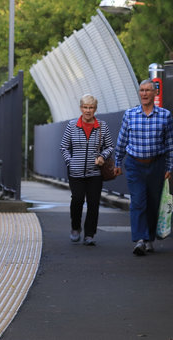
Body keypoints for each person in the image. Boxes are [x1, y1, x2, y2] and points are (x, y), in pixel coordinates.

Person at [115, 79, 173, 256]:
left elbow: (171, 144)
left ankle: (149, 238)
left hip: (156, 165)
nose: (144, 94)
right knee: (138, 201)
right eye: (141, 90)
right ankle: (140, 240)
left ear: (155, 93)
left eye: (148, 90)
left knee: (153, 203)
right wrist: (117, 162)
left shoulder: (165, 116)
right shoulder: (130, 114)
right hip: (135, 164)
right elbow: (122, 140)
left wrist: (169, 167)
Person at [59, 94, 115, 246]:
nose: (88, 110)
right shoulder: (72, 125)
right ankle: (75, 227)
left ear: (95, 109)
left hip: (95, 173)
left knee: (93, 203)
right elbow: (64, 147)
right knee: (77, 199)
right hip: (75, 172)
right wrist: (69, 162)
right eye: (85, 107)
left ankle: (89, 234)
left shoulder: (102, 126)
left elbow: (110, 146)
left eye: (91, 107)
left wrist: (103, 156)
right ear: (80, 108)